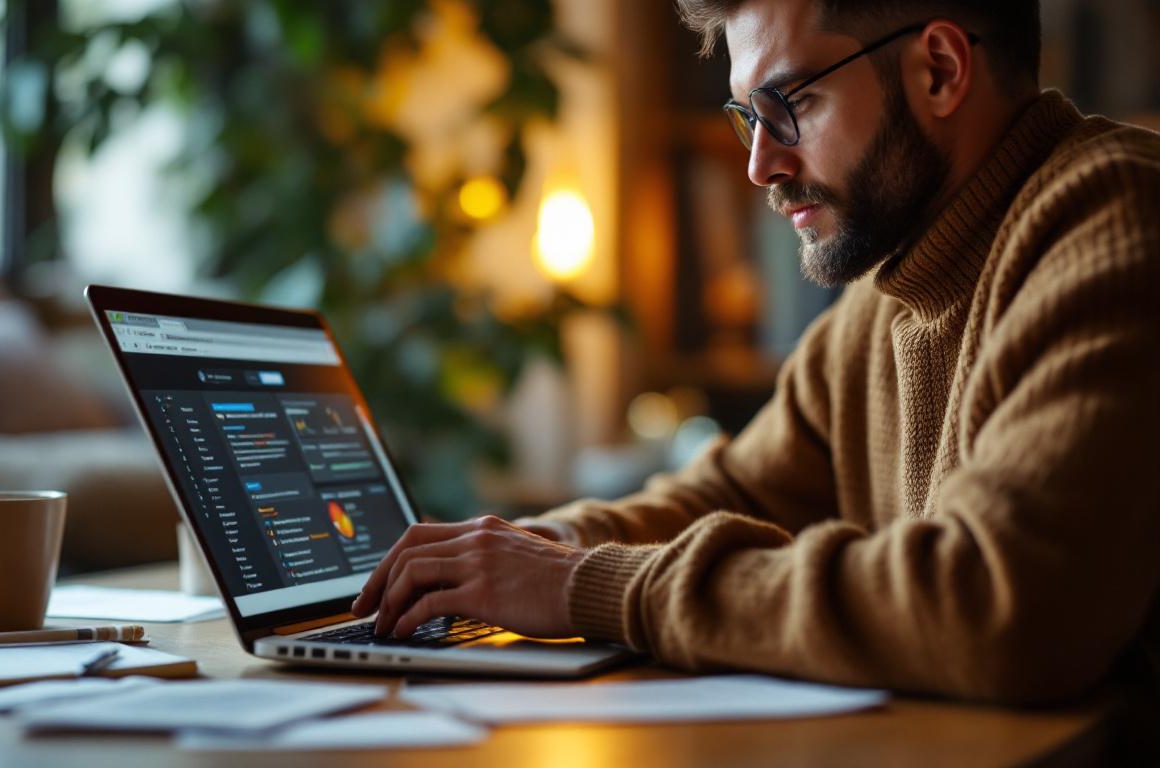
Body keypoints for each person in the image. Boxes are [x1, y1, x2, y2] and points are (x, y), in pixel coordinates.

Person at [352, 0, 1160, 704]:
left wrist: (580, 587)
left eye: (789, 103)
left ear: (940, 71)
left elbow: (996, 609)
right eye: (749, 116)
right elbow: (736, 492)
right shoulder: (881, 303)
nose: (759, 164)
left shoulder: (1116, 220)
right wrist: (526, 553)